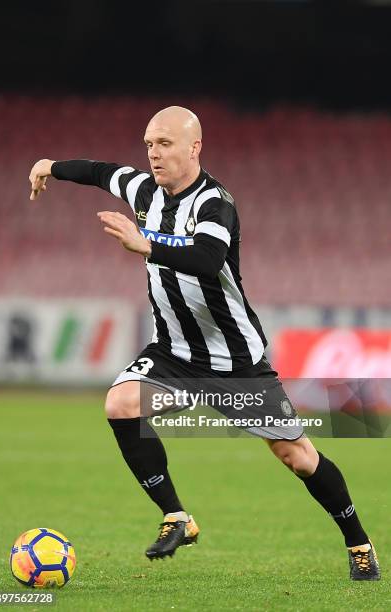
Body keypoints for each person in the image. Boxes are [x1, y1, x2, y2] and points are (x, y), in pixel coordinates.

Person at [29, 105, 380, 580]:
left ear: (194, 148)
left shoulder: (215, 204)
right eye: (149, 143)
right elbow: (98, 171)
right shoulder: (143, 189)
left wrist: (146, 243)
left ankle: (358, 542)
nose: (153, 153)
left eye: (165, 144)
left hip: (235, 363)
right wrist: (50, 166)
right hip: (173, 353)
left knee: (297, 457)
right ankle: (177, 517)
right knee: (120, 404)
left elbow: (208, 257)